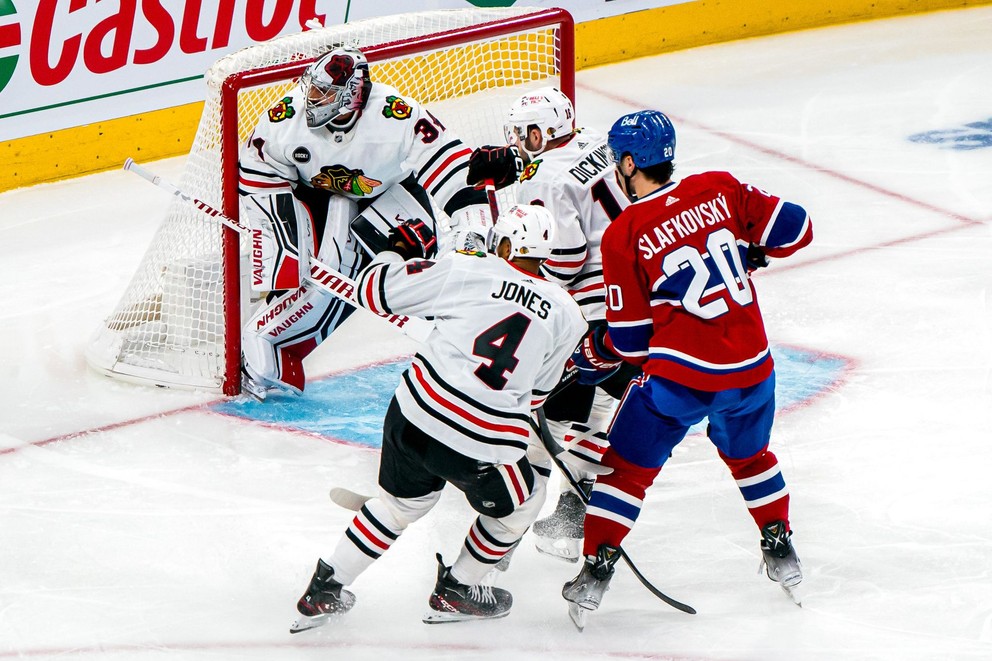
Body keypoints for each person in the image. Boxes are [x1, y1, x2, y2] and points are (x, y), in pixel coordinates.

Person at [562, 110, 814, 626]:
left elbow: (632, 342)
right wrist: (751, 248)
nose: (615, 169)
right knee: (750, 458)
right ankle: (780, 547)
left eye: (617, 161)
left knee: (626, 469)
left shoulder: (625, 232)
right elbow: (799, 230)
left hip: (681, 379)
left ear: (631, 163)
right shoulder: (719, 188)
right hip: (752, 371)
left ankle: (595, 570)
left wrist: (595, 352)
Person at [289, 204, 587, 632]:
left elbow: (374, 291)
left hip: (412, 415)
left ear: (503, 243)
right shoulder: (568, 312)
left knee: (399, 505)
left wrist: (395, 252)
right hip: (481, 446)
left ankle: (325, 587)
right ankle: (457, 589)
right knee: (525, 503)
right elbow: (538, 394)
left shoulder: (469, 269)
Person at [238, 46, 491, 399]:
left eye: (324, 93)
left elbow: (454, 170)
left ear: (353, 94)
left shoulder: (398, 115)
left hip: (389, 195)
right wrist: (285, 241)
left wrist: (472, 231)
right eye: (312, 88)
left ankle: (463, 356)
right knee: (298, 273)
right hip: (316, 196)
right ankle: (273, 348)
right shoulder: (286, 117)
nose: (311, 99)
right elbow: (256, 174)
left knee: (426, 275)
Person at [467, 87, 638, 563]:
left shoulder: (546, 177)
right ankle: (577, 502)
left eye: (526, 133)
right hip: (640, 289)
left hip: (596, 304)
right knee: (602, 400)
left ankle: (516, 519)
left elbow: (563, 261)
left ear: (544, 131)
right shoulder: (597, 143)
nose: (521, 141)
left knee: (555, 408)